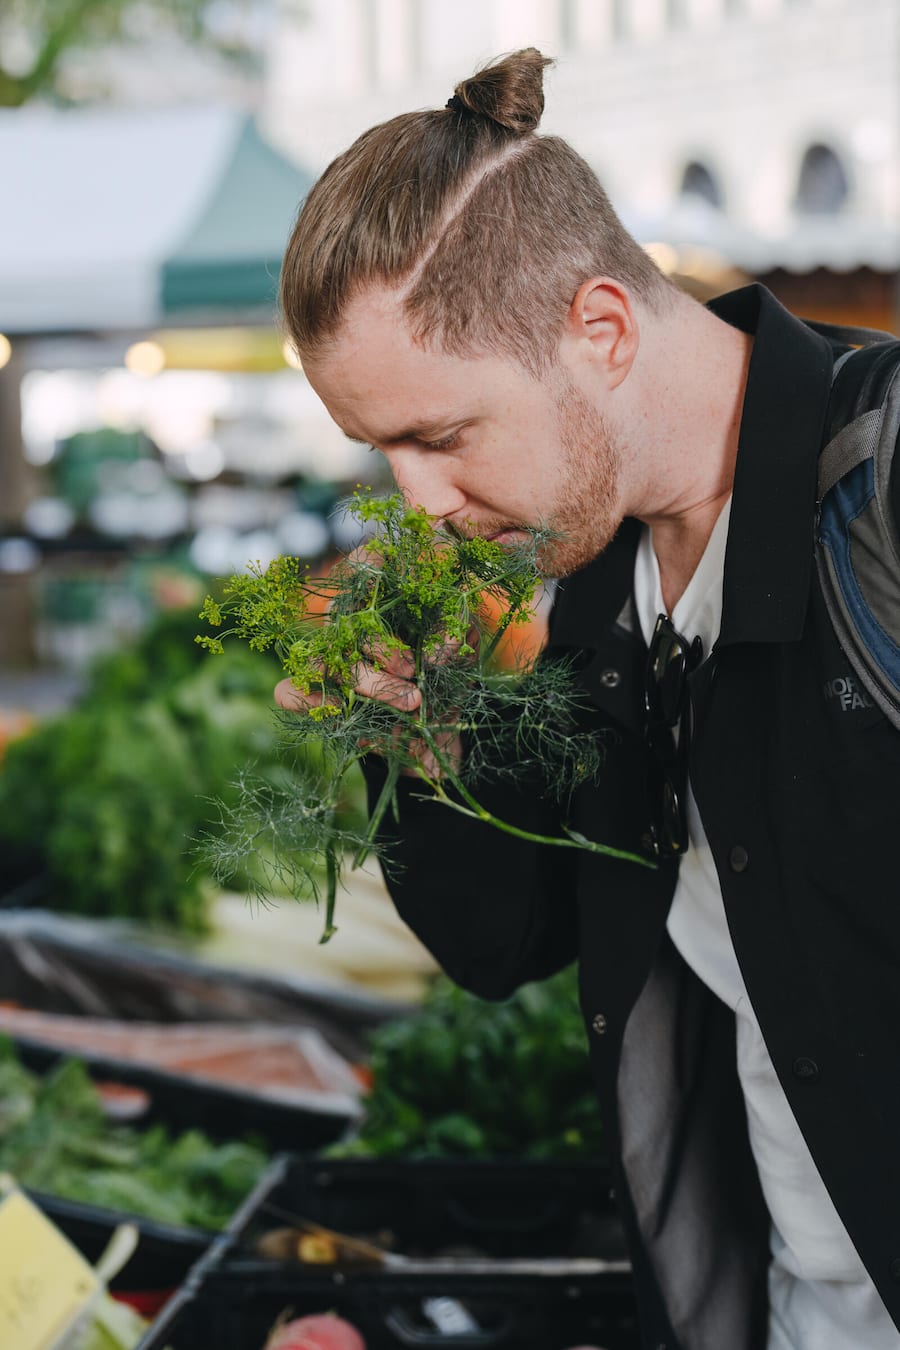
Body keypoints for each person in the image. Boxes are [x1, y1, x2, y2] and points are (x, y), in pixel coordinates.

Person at [274, 48, 900, 1350]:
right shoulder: (610, 587)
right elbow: (514, 935)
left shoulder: (880, 498)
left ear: (600, 328)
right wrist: (421, 744)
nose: (419, 503)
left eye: (440, 436)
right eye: (380, 451)